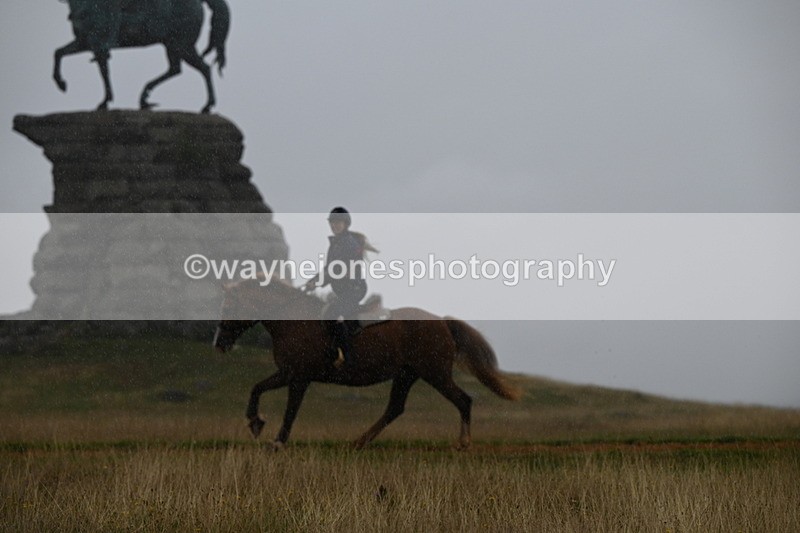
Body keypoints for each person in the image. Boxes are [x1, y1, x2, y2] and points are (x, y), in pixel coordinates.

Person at [303, 207, 374, 368]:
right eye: (332, 222)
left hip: (354, 289)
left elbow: (338, 270)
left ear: (345, 224)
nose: (334, 225)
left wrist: (318, 282)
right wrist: (313, 281)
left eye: (338, 222)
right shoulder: (335, 244)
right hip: (344, 292)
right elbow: (329, 269)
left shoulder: (349, 243)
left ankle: (348, 359)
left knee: (334, 315)